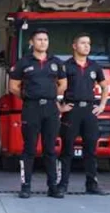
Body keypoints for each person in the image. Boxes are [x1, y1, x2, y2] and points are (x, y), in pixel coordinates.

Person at [8, 28, 67, 198]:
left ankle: (53, 187)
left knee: (50, 149)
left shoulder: (55, 62)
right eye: (39, 39)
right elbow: (13, 87)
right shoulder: (23, 62)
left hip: (51, 109)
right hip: (31, 108)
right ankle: (26, 186)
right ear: (32, 42)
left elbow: (63, 83)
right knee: (29, 149)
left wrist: (53, 95)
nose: (43, 42)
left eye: (46, 39)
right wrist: (28, 97)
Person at [58, 34, 109, 195]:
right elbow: (55, 87)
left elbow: (105, 87)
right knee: (67, 150)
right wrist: (59, 107)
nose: (87, 46)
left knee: (91, 150)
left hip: (89, 111)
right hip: (72, 111)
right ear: (74, 46)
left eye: (89, 43)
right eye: (83, 43)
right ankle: (62, 184)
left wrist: (102, 105)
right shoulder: (66, 66)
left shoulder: (95, 66)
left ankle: (91, 184)